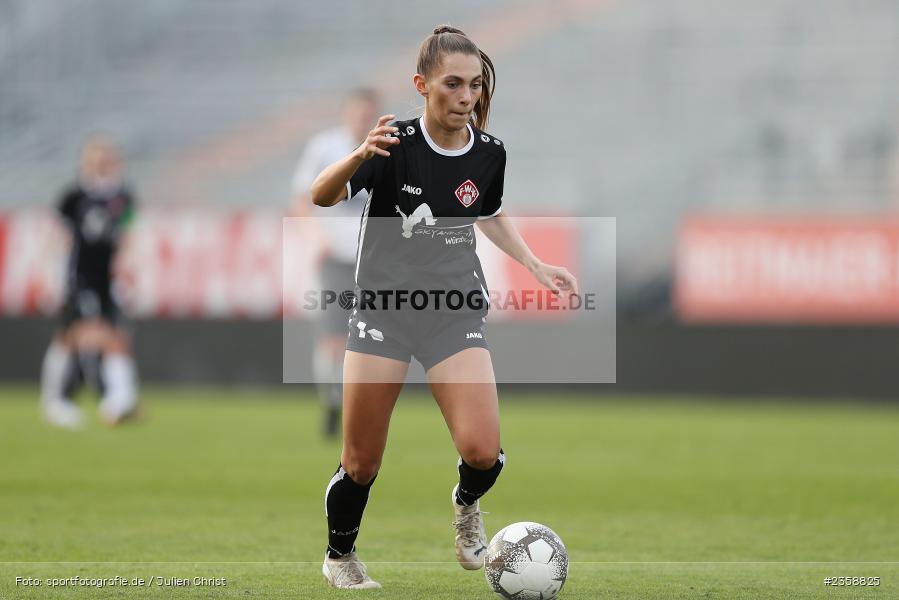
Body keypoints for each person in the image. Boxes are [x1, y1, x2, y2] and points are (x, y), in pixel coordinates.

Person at [310, 26, 577, 589]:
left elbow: (490, 213)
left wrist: (534, 265)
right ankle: (340, 556)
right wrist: (359, 154)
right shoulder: (392, 144)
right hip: (382, 313)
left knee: (484, 452)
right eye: (453, 84)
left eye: (475, 86)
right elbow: (322, 196)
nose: (466, 97)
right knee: (361, 463)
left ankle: (465, 506)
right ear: (422, 85)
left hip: (452, 311)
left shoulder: (489, 153)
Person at [290, 88, 381, 437]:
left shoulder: (387, 150)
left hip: (374, 259)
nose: (362, 119)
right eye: (357, 112)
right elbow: (301, 200)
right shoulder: (324, 148)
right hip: (335, 257)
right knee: (332, 338)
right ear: (347, 114)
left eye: (367, 113)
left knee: (371, 338)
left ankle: (357, 406)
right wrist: (315, 237)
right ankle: (332, 401)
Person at [39, 135, 139, 429]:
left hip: (107, 279)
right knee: (79, 336)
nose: (104, 164)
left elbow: (127, 238)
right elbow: (58, 238)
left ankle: (119, 399)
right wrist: (51, 276)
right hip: (80, 277)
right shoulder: (73, 197)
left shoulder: (124, 198)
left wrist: (127, 276)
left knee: (113, 337)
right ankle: (61, 401)